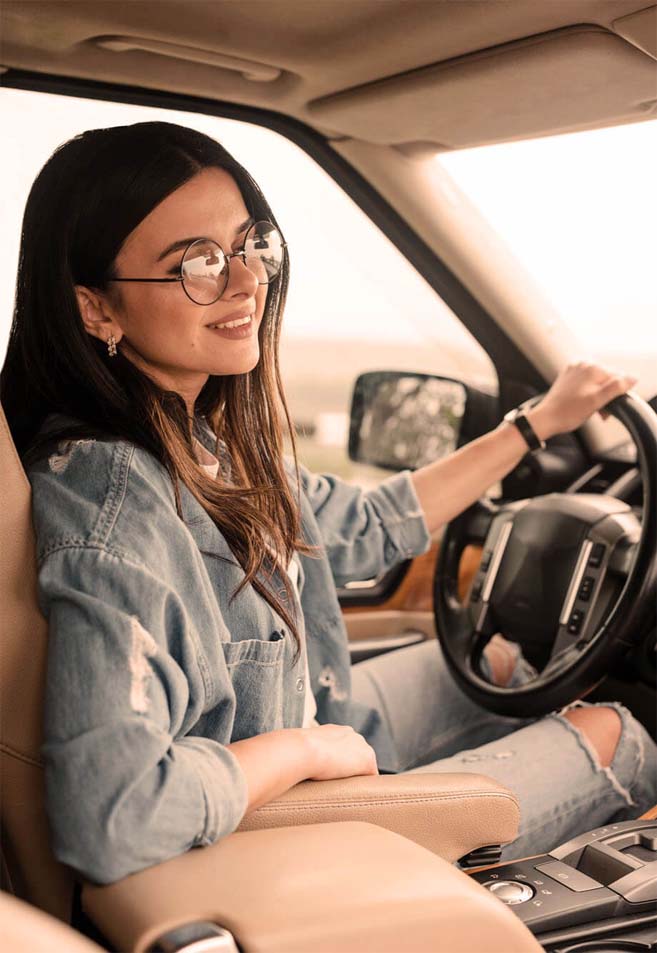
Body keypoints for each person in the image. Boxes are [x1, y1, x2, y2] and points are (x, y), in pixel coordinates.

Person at [1, 121, 655, 887]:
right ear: (96, 309)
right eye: (197, 263)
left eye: (250, 245)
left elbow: (372, 522)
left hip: (302, 710)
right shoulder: (117, 504)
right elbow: (113, 812)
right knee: (616, 732)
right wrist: (306, 751)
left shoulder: (203, 440)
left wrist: (535, 423)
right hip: (278, 822)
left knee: (510, 659)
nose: (245, 282)